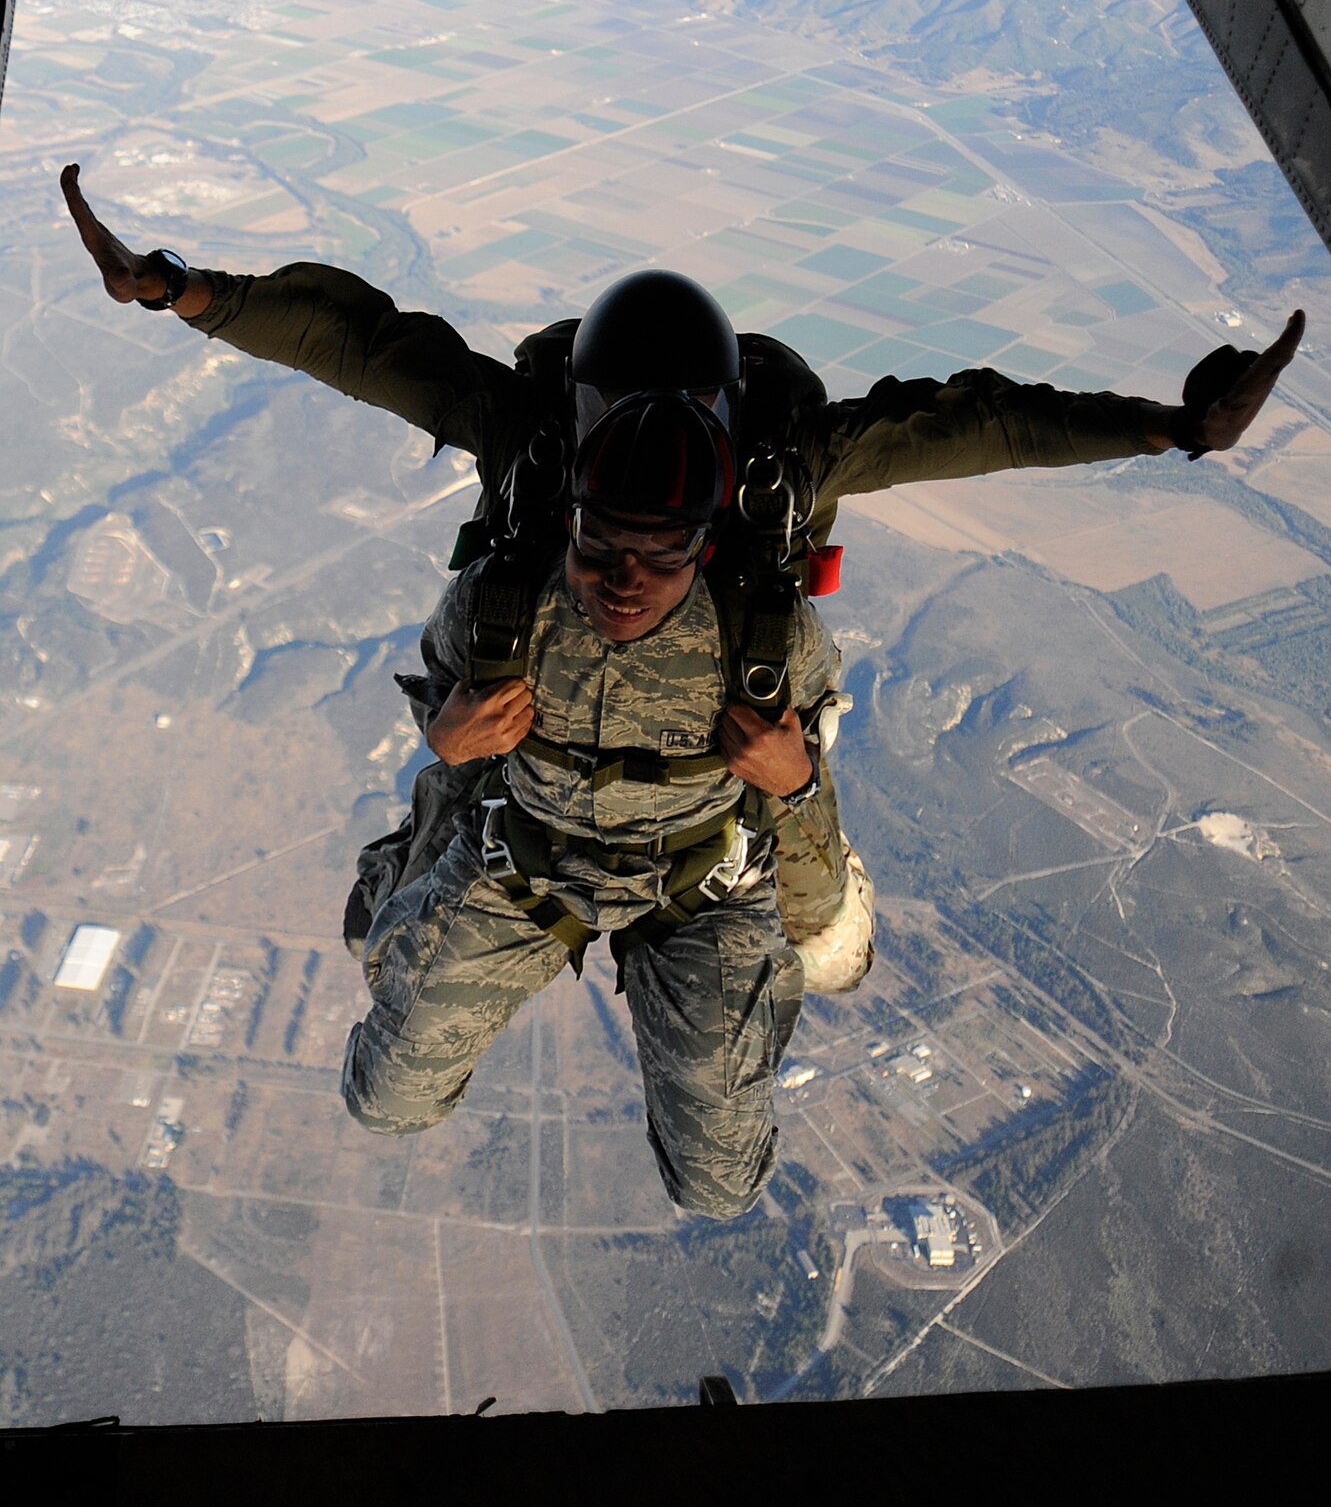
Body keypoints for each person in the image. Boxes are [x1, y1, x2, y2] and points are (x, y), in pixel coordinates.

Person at [58, 164, 1304, 987]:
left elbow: (973, 424)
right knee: (413, 878)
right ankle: (452, 834)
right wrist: (183, 290)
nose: (632, 555)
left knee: (822, 937)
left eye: (671, 518)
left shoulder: (775, 466)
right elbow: (361, 343)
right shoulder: (536, 438)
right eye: (616, 509)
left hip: (727, 756)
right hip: (529, 757)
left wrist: (1165, 427)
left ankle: (798, 854)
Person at [344, 388, 843, 1217]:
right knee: (383, 1102)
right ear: (570, 523)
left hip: (704, 894)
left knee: (719, 1190)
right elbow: (442, 691)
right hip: (522, 861)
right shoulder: (500, 603)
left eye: (659, 554)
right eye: (600, 546)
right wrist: (447, 738)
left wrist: (793, 782)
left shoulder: (764, 633)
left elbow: (806, 763)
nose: (624, 579)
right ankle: (408, 870)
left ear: (703, 549)